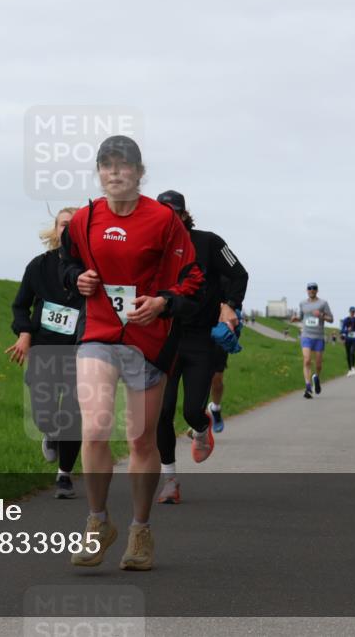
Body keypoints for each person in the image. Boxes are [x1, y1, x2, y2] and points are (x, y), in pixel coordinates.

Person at [59, 135, 204, 571]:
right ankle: (97, 522)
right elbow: (65, 264)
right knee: (96, 423)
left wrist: (163, 303)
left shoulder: (163, 221)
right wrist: (76, 280)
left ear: (140, 173)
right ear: (99, 172)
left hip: (149, 339)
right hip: (99, 333)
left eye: (124, 165)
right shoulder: (84, 219)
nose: (115, 172)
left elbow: (192, 280)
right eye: (107, 165)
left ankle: (140, 530)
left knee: (140, 437)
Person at [154, 190, 249, 505]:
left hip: (200, 339)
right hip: (164, 338)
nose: (169, 218)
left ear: (183, 215)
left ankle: (201, 424)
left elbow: (239, 273)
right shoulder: (149, 248)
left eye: (174, 212)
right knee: (162, 412)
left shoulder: (209, 242)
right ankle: (170, 481)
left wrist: (229, 305)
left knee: (192, 409)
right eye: (162, 212)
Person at [7, 207, 83, 498]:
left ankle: (64, 475)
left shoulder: (92, 269)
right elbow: (20, 305)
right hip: (44, 348)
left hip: (80, 352)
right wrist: (24, 333)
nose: (68, 229)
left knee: (73, 413)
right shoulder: (39, 266)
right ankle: (50, 433)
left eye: (74, 225)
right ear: (55, 229)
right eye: (64, 224)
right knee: (45, 416)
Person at [290, 283, 333, 399]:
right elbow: (301, 316)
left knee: (318, 365)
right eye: (310, 288)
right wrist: (295, 319)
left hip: (318, 337)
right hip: (306, 335)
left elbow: (331, 319)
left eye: (314, 288)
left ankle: (316, 378)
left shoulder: (323, 303)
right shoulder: (302, 303)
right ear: (307, 290)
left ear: (317, 290)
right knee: (307, 360)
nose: (312, 290)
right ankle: (308, 386)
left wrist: (322, 315)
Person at [339, 306, 355, 376]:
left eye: (353, 312)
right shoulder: (346, 319)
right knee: (348, 354)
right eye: (351, 312)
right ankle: (349, 369)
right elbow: (342, 330)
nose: (352, 313)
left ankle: (353, 367)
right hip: (348, 339)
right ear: (349, 312)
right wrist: (347, 330)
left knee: (352, 352)